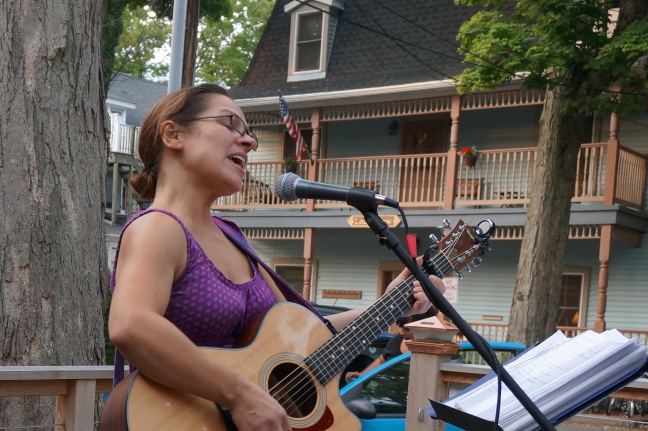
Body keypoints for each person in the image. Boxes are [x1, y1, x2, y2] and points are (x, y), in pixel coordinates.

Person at [107, 83, 446, 431]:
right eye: (229, 124)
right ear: (173, 134)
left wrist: (388, 306)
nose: (249, 141)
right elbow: (132, 325)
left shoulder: (233, 238)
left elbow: (309, 336)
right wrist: (241, 395)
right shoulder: (160, 228)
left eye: (249, 134)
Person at [345, 307, 437, 383]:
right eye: (400, 327)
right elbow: (382, 360)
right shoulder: (397, 340)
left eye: (407, 329)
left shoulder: (434, 348)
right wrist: (362, 375)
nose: (401, 332)